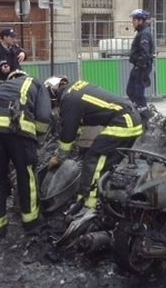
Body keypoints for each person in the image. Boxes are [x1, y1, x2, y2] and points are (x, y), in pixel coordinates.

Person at [44, 76, 144, 213]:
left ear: (52, 93)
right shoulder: (75, 88)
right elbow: (83, 118)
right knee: (106, 165)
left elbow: (68, 134)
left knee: (93, 160)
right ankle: (100, 195)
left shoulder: (68, 99)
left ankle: (89, 206)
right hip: (131, 119)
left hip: (123, 123)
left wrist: (60, 157)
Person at [0, 70, 52, 241]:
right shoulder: (35, 83)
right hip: (17, 126)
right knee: (26, 175)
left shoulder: (2, 87)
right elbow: (43, 117)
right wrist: (38, 141)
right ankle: (31, 223)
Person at [127, 9, 154, 111]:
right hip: (138, 65)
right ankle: (139, 108)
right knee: (130, 91)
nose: (132, 22)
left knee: (138, 92)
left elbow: (145, 53)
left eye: (134, 20)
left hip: (142, 66)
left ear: (140, 21)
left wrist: (139, 65)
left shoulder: (144, 34)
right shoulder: (141, 32)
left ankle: (143, 111)